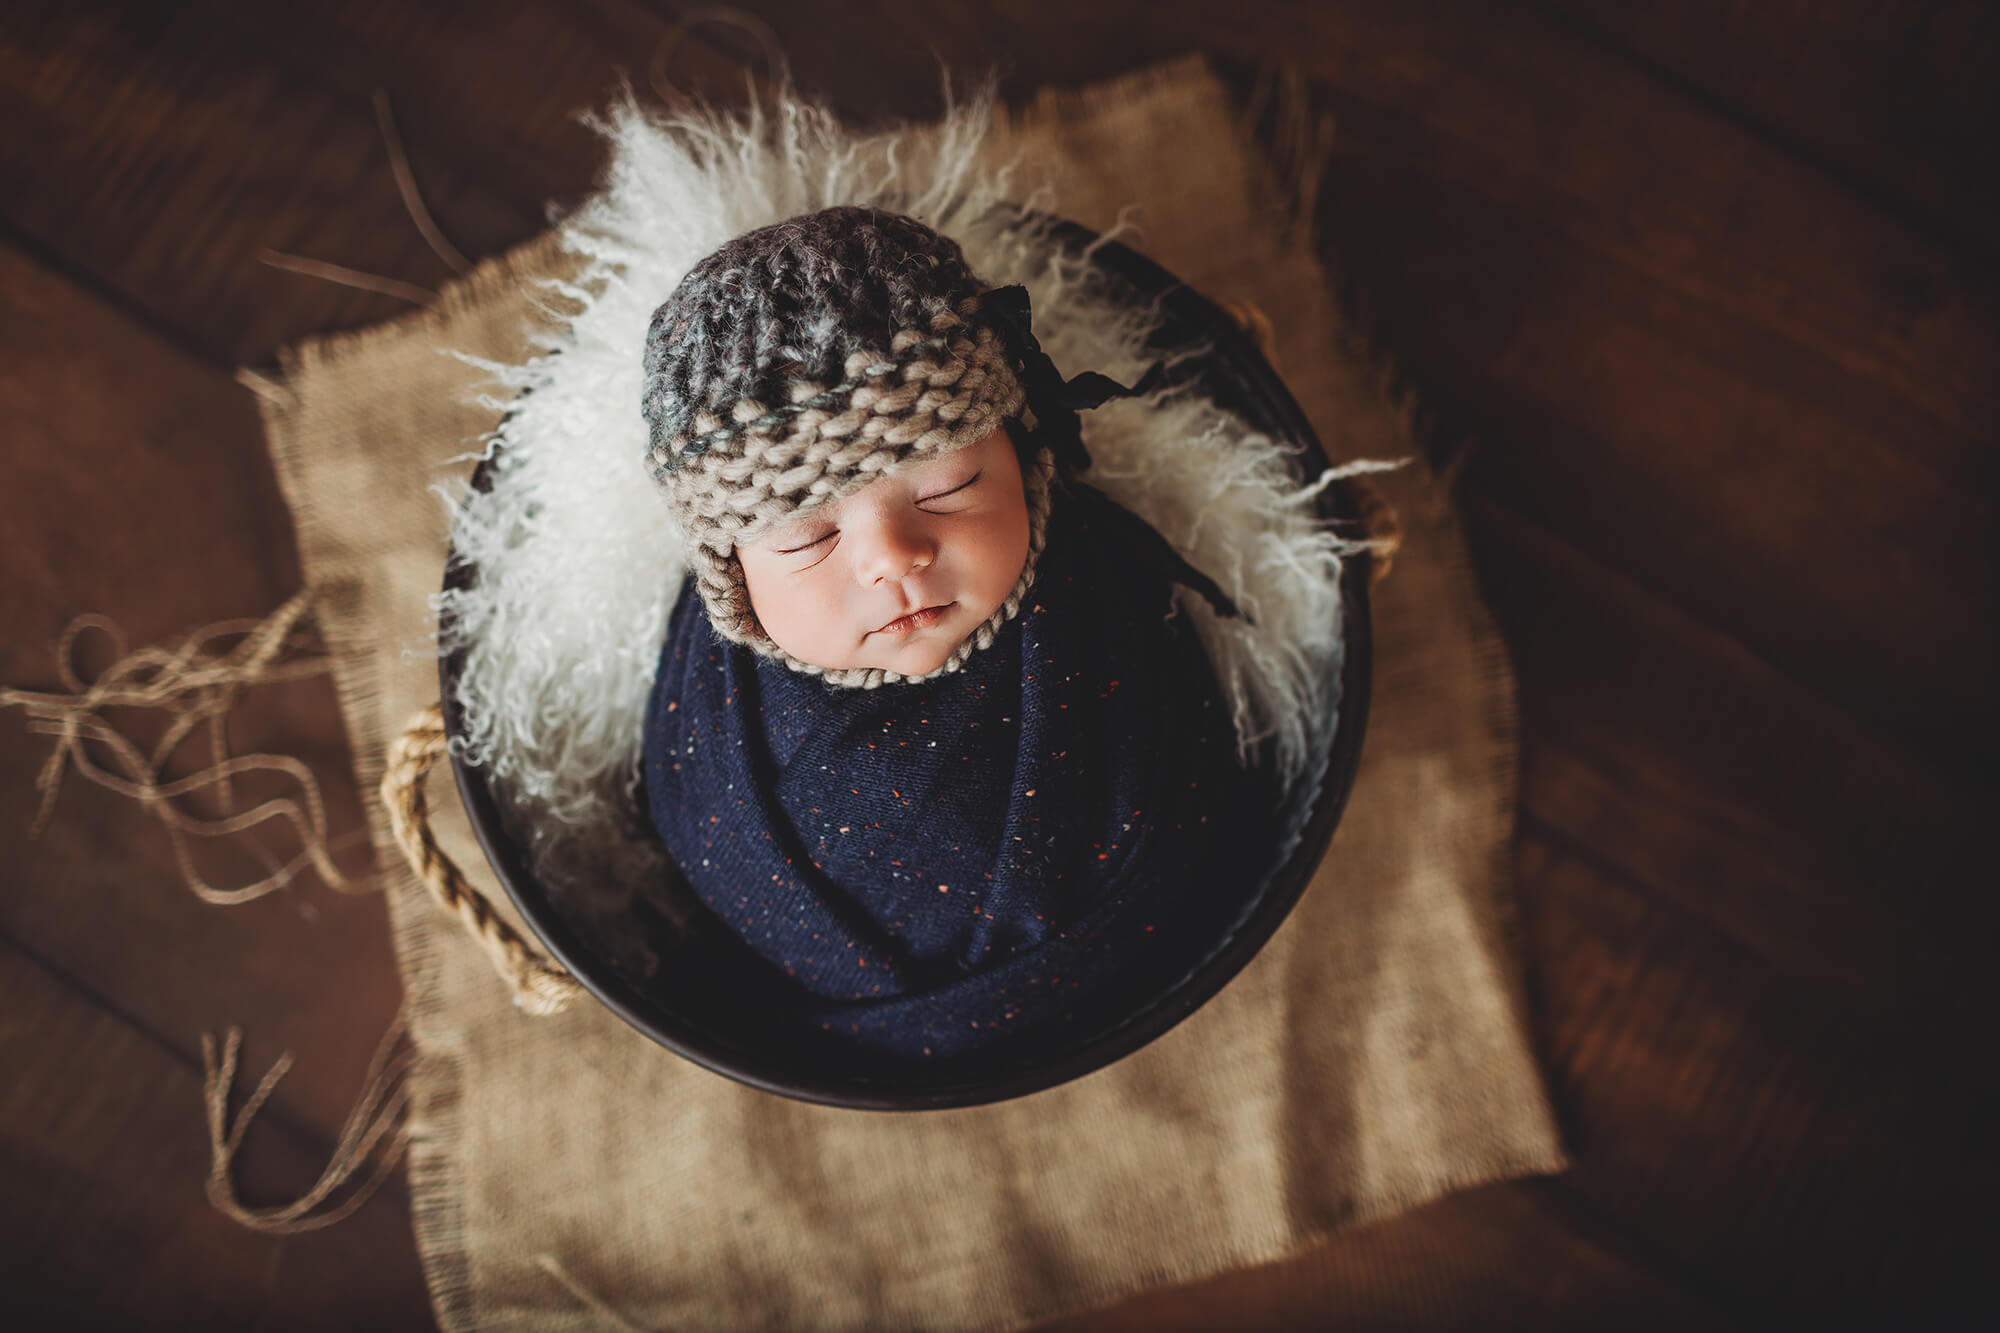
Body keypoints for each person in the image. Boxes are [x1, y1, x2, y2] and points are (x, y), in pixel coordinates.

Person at [641, 206, 1274, 1059]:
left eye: (948, 486)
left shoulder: (1111, 600)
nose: (895, 558)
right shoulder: (709, 724)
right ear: (729, 575)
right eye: (809, 536)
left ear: (1026, 449)